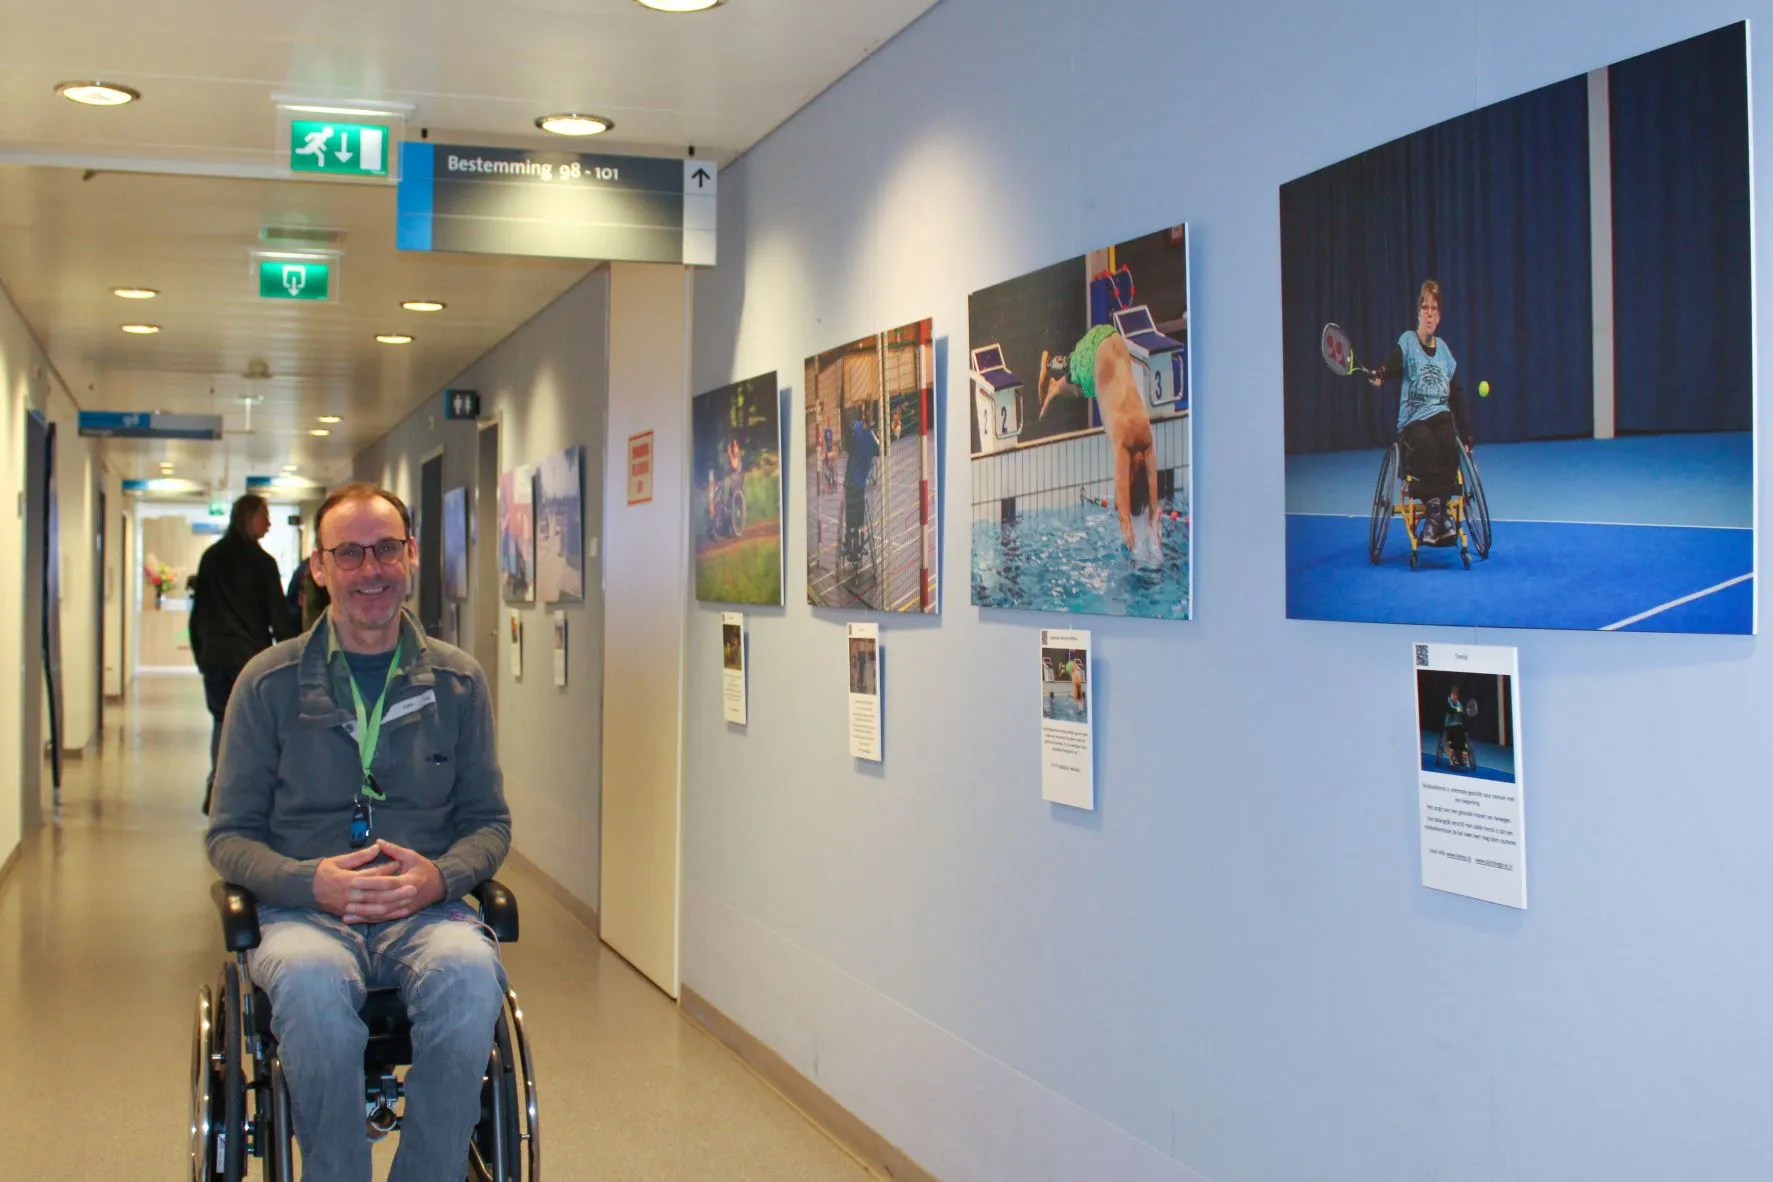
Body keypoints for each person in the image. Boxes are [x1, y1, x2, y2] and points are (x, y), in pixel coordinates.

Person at [207, 482, 510, 1182]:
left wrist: (441, 876)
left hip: (426, 912)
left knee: (470, 977)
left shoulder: (459, 683)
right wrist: (306, 880)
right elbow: (229, 836)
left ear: (409, 555)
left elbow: (488, 823)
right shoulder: (267, 683)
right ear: (318, 566)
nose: (369, 571)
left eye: (384, 550)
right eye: (349, 553)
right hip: (305, 915)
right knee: (310, 987)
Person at [192, 494, 296, 814]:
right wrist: (291, 653)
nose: (269, 523)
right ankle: (240, 790)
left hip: (216, 656)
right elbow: (278, 617)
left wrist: (202, 654)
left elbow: (198, 612)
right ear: (249, 518)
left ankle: (218, 783)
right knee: (251, 723)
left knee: (222, 718)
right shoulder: (263, 564)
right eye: (264, 516)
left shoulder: (211, 557)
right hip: (249, 657)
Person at [1368, 279, 1475, 545]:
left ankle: (1437, 516)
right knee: (1426, 442)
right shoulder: (1408, 341)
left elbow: (1458, 395)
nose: (1429, 313)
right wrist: (1381, 374)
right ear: (1419, 313)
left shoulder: (1445, 353)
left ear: (1438, 317)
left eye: (1434, 309)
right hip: (1413, 422)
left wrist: (1467, 436)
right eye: (1425, 307)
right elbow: (1394, 363)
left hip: (1440, 417)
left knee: (1448, 439)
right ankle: (1438, 515)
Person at [842, 411, 880, 562]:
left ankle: (852, 544)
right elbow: (880, 448)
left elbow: (848, 445)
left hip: (852, 482)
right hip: (856, 482)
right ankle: (854, 545)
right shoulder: (870, 438)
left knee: (853, 517)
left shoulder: (857, 430)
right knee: (857, 518)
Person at [1443, 684, 1472, 770]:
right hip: (1449, 725)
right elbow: (1450, 709)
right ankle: (1452, 761)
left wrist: (1466, 713)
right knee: (1452, 741)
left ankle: (1465, 759)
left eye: (1456, 694)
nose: (1455, 696)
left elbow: (1462, 713)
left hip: (1458, 725)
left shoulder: (1459, 703)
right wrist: (1460, 711)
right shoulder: (1448, 701)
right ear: (1451, 694)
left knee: (1463, 739)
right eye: (1454, 694)